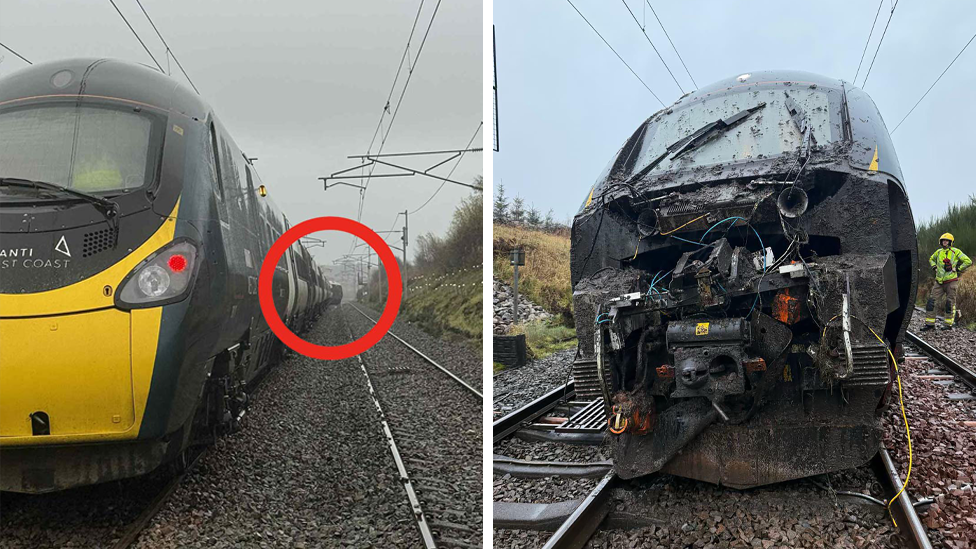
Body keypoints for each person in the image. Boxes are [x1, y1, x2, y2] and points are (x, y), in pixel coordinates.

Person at [923, 232, 971, 330]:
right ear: (940, 242)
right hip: (939, 282)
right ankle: (929, 324)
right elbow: (931, 259)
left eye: (947, 241)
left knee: (950, 303)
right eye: (943, 240)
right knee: (931, 302)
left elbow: (968, 261)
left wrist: (957, 268)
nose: (945, 242)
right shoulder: (939, 252)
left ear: (950, 242)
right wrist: (934, 267)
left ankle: (948, 325)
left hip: (951, 281)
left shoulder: (956, 251)